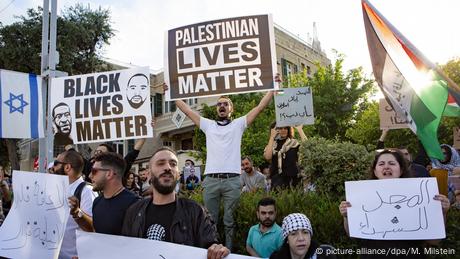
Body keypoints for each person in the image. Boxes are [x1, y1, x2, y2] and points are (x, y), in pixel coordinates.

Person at [167, 78, 277, 249]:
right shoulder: (208, 125)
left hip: (232, 181)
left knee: (229, 222)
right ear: (216, 109)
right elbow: (188, 110)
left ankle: (229, 251)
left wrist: (272, 89)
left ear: (231, 109)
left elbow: (260, 108)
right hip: (211, 180)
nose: (222, 106)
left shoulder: (238, 124)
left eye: (226, 104)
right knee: (210, 220)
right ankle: (212, 250)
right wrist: (171, 94)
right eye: (219, 104)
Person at [339, 149, 451, 259]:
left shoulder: (421, 196)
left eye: (392, 163)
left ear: (401, 170)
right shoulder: (361, 196)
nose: (386, 167)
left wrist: (442, 212)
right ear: (375, 171)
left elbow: (434, 241)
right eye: (381, 164)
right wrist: (346, 217)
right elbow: (352, 235)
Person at [121, 147, 230, 259]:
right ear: (149, 173)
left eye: (173, 164)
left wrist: (217, 249)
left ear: (178, 174)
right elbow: (125, 249)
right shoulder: (133, 212)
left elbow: (211, 245)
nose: (168, 167)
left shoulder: (196, 211)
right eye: (160, 163)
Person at [53, 150, 97, 259]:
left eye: (56, 163)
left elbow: (93, 228)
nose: (53, 168)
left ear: (67, 167)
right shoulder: (56, 188)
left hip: (73, 256)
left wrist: (77, 212)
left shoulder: (87, 191)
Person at [85, 152, 140, 235]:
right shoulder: (97, 201)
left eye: (94, 171)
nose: (89, 176)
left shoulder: (134, 204)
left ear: (109, 174)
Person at [264, 124, 307, 189]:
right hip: (277, 181)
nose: (283, 130)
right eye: (280, 128)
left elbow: (308, 147)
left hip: (294, 180)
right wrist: (272, 137)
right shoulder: (272, 145)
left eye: (285, 128)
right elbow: (267, 157)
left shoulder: (294, 143)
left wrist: (300, 130)